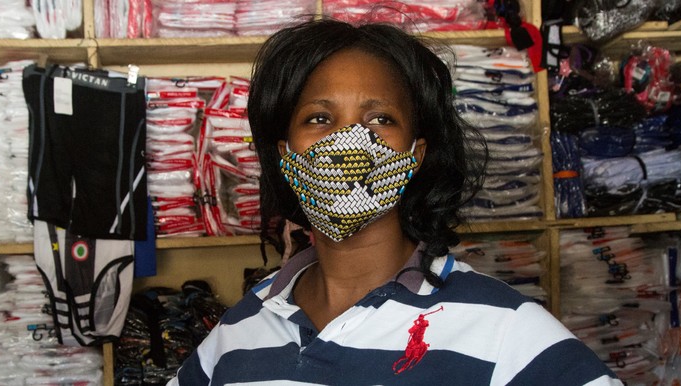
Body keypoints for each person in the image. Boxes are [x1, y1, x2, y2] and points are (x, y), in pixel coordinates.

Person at [169, 18, 623, 386]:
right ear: (286, 153)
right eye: (319, 117)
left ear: (416, 153)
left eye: (380, 119)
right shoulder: (240, 328)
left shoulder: (505, 328)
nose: (348, 143)